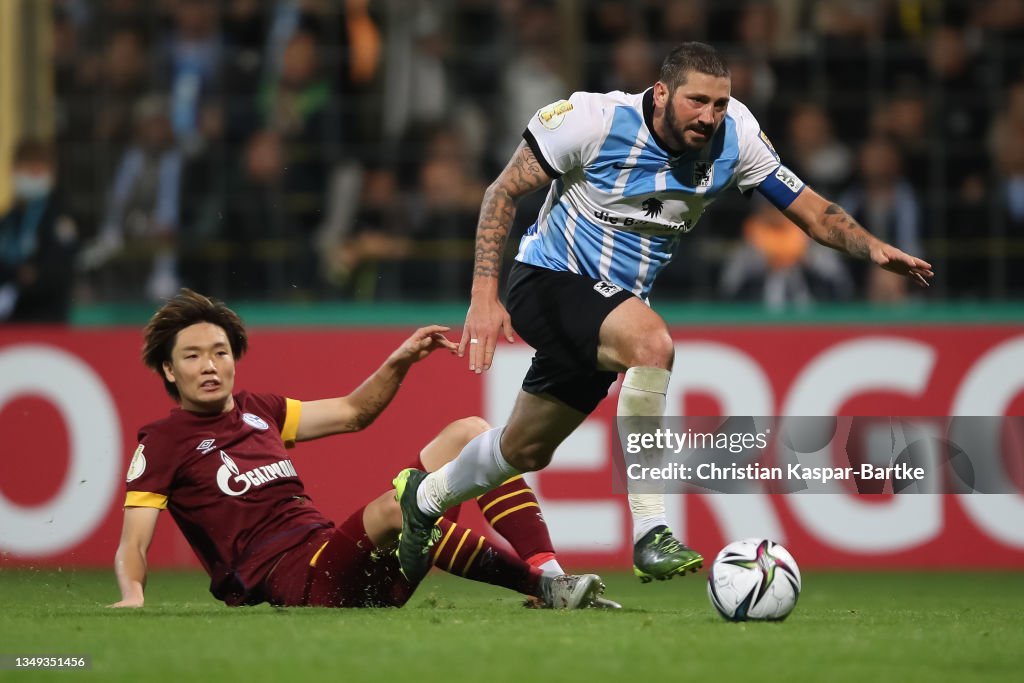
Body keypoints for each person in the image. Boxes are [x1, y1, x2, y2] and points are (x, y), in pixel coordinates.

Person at [393, 41, 934, 585]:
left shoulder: (738, 137)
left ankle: (424, 498)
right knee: (652, 345)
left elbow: (814, 212)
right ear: (661, 94)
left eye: (720, 103)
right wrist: (485, 296)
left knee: (524, 449)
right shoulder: (591, 120)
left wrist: (873, 248)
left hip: (613, 307)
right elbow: (501, 191)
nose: (710, 116)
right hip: (548, 280)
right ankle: (651, 532)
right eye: (697, 101)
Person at [110, 289, 610, 610]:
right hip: (301, 582)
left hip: (342, 560)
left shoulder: (259, 409)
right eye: (193, 356)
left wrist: (401, 360)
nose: (210, 365)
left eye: (219, 352)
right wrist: (132, 595)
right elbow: (134, 542)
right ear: (170, 372)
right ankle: (539, 588)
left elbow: (353, 413)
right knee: (402, 505)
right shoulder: (163, 443)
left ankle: (549, 572)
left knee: (470, 432)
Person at [0, 139, 78, 322]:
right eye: (27, 169)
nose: (32, 176)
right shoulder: (9, 220)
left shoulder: (59, 216)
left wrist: (21, 280)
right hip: (10, 320)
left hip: (47, 319)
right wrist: (19, 275)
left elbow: (57, 269)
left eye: (37, 169)